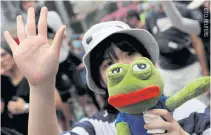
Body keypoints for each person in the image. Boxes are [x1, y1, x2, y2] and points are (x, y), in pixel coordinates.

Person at [3, 7, 210, 135]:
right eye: (108, 65)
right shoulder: (97, 127)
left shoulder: (191, 110)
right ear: (101, 82)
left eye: (130, 54)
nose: (124, 67)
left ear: (150, 63)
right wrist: (40, 87)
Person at [145, 2, 209, 106]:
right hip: (167, 74)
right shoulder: (150, 17)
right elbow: (151, 45)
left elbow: (196, 41)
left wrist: (205, 70)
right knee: (175, 107)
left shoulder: (183, 10)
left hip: (190, 69)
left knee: (200, 104)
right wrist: (156, 70)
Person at [1, 41, 62, 135]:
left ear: (12, 53)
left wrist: (25, 107)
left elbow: (57, 103)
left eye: (3, 55)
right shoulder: (3, 82)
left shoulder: (31, 74)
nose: (1, 60)